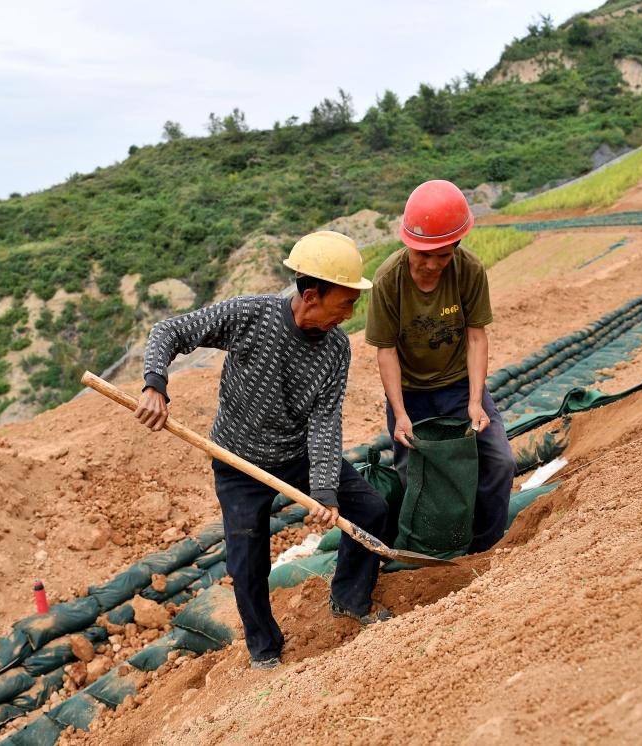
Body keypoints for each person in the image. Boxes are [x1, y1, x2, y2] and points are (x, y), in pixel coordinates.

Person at [134, 230, 391, 670]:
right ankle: (265, 649)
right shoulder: (250, 315)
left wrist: (325, 490)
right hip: (238, 460)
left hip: (296, 454)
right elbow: (170, 330)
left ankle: (350, 597)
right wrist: (154, 383)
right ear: (312, 295)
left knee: (370, 509)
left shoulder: (335, 349)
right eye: (344, 303)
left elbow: (325, 420)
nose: (349, 314)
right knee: (247, 558)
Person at [365, 179, 516, 554]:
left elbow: (477, 337)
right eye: (423, 255)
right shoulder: (389, 279)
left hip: (458, 387)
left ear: (456, 247)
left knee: (498, 462)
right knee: (415, 477)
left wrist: (476, 401)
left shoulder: (469, 271)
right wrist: (400, 414)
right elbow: (386, 351)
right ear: (408, 244)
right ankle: (425, 553)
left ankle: (483, 548)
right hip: (411, 395)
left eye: (443, 256)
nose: (432, 265)